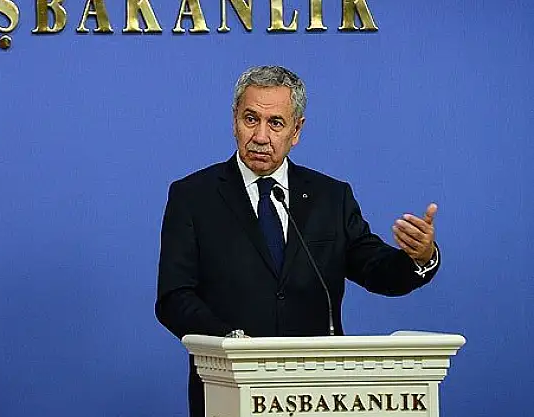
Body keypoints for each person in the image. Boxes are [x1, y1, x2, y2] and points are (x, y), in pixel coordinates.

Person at [154, 65, 440, 417]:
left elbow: (376, 270)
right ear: (234, 120)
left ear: (297, 130)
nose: (260, 136)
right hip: (228, 387)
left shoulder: (330, 197)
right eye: (250, 119)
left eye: (275, 123)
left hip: (320, 392)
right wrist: (232, 343)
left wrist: (418, 256)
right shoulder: (193, 196)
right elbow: (174, 297)